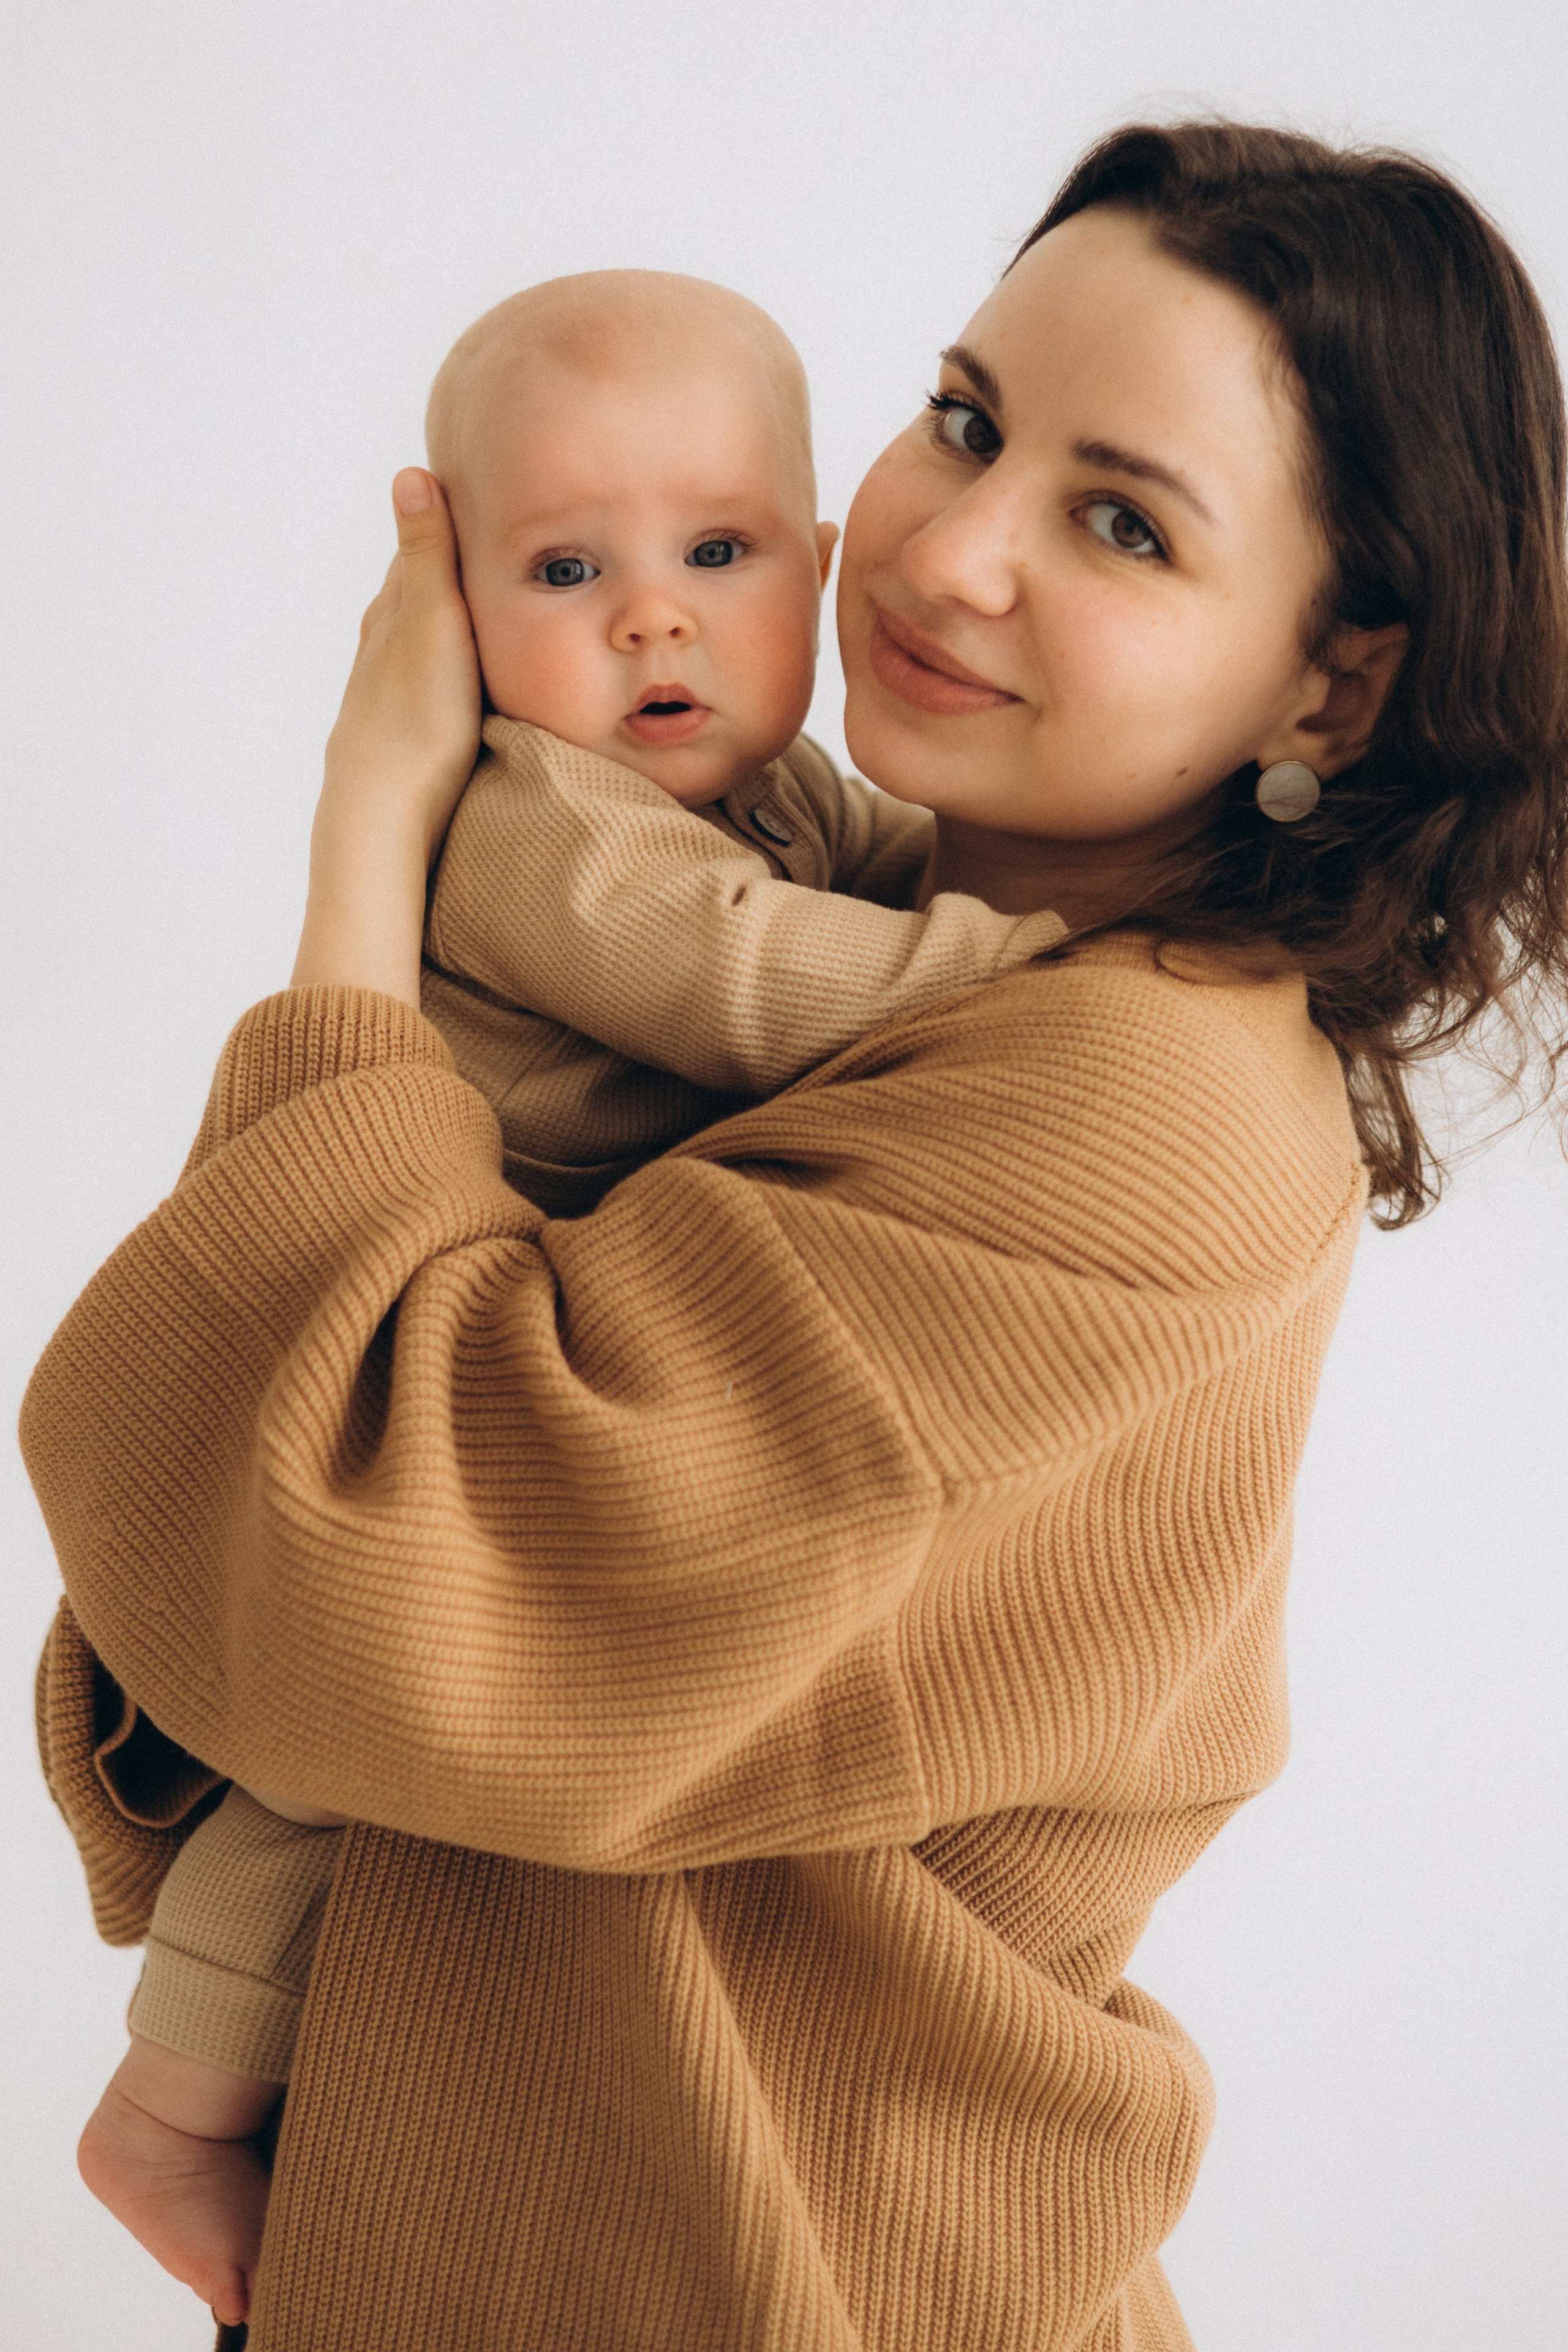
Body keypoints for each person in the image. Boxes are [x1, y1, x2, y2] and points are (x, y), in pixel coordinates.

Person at [22, 122, 1568, 2352]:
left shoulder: (1135, 1101)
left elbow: (374, 1560)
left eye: (1119, 519)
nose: (950, 556)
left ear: (1331, 688)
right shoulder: (908, 913)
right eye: (966, 421)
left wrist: (368, 848)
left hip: (771, 2260)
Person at [64, 265, 1066, 2328]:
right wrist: (1054, 970)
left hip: (548, 1377)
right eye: (564, 567)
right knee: (333, 1771)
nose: (651, 618)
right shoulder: (545, 828)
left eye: (714, 551)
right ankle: (169, 2098)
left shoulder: (777, 802)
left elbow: (866, 878)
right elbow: (760, 985)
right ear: (454, 617)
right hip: (388, 1346)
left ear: (811, 560)